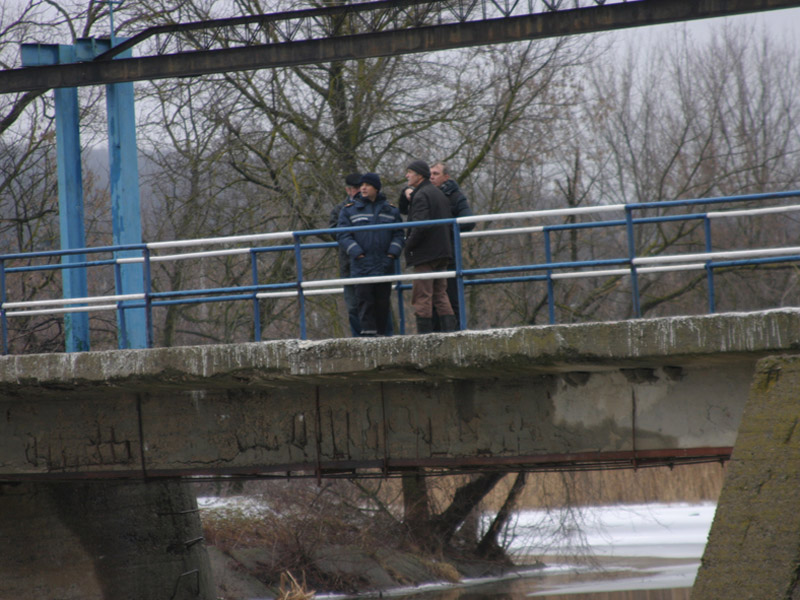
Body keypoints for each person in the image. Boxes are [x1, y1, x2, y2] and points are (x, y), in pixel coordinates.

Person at [337, 173, 404, 336]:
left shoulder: (391, 211)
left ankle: (383, 340)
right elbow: (342, 234)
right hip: (361, 266)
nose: (363, 188)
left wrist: (391, 255)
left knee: (382, 304)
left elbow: (399, 234)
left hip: (384, 264)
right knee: (364, 303)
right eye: (362, 185)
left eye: (367, 185)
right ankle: (368, 340)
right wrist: (358, 254)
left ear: (376, 188)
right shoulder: (349, 210)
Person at [402, 160, 457, 334]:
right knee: (441, 294)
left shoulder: (421, 195)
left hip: (426, 253)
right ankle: (450, 334)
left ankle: (423, 339)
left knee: (422, 295)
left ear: (419, 176)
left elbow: (420, 225)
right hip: (442, 251)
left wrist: (408, 245)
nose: (407, 175)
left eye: (409, 172)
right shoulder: (437, 193)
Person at [429, 162, 475, 331]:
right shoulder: (424, 194)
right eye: (430, 174)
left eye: (435, 173)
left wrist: (443, 230)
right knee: (429, 298)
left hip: (448, 254)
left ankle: (454, 335)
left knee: (451, 296)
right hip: (428, 254)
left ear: (446, 177)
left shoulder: (455, 196)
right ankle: (433, 338)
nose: (431, 177)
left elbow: (469, 221)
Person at [329, 173, 363, 336]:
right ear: (347, 190)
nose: (357, 192)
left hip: (368, 262)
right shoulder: (339, 209)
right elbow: (335, 232)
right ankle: (358, 339)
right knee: (353, 307)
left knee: (373, 304)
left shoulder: (370, 206)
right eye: (354, 188)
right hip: (349, 262)